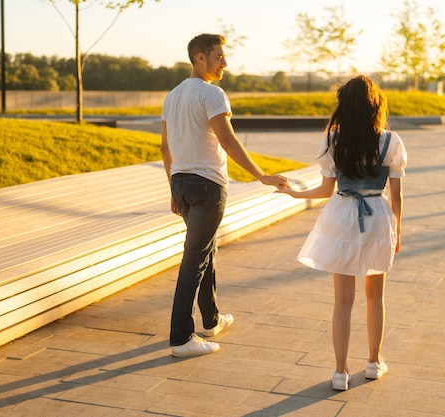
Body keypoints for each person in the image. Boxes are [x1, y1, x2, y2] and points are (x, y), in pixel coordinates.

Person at [160, 33, 288, 357]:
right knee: (195, 259)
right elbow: (229, 142)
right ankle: (181, 338)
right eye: (219, 57)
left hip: (182, 184)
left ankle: (211, 319)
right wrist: (262, 176)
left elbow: (165, 147)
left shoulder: (172, 97)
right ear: (199, 58)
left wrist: (173, 187)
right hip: (207, 187)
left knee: (206, 251)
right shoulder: (212, 94)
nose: (225, 63)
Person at [276, 75, 407, 391]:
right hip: (377, 216)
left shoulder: (333, 140)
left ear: (344, 107)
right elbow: (397, 195)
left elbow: (325, 189)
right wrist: (397, 231)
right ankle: (374, 363)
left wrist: (296, 194)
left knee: (342, 300)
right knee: (375, 296)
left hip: (341, 215)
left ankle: (340, 372)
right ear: (376, 106)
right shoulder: (390, 141)